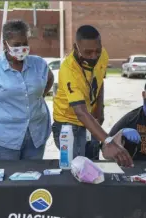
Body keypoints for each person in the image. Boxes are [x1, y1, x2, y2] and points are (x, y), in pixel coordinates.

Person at [0, 19, 54, 160]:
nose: (22, 48)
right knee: (4, 179)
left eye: (25, 44)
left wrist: (37, 97)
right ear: (5, 44)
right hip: (2, 140)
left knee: (33, 179)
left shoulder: (39, 64)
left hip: (36, 136)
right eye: (16, 45)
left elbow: (49, 79)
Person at [52, 25, 133, 167]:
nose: (94, 56)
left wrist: (99, 110)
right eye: (88, 52)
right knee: (77, 168)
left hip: (90, 119)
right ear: (76, 48)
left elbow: (99, 81)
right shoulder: (68, 69)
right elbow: (80, 112)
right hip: (69, 124)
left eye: (97, 50)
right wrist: (108, 142)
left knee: (94, 166)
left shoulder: (103, 55)